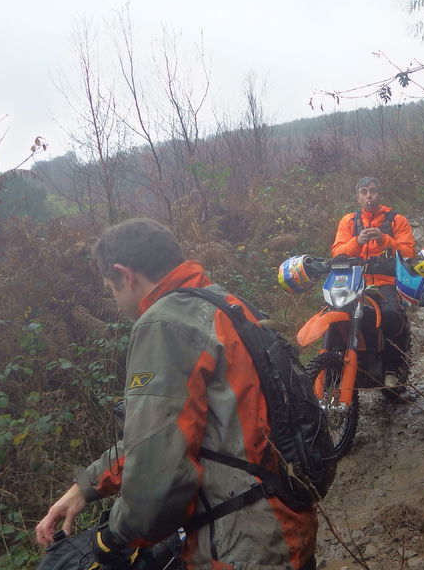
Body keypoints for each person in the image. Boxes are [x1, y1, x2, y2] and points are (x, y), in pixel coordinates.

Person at [34, 218, 317, 570]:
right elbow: (173, 431)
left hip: (241, 545)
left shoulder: (164, 323)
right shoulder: (225, 304)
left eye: (112, 288)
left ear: (126, 275)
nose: (117, 302)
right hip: (287, 520)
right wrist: (87, 486)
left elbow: (157, 471)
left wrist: (113, 537)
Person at [331, 176, 416, 395]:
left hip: (385, 282)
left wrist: (385, 239)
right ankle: (333, 367)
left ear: (380, 194)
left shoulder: (396, 220)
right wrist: (357, 241)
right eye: (364, 192)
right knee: (335, 315)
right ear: (357, 196)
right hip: (353, 282)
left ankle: (393, 369)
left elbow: (409, 253)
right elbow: (337, 254)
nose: (369, 196)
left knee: (391, 314)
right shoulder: (348, 221)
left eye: (373, 191)